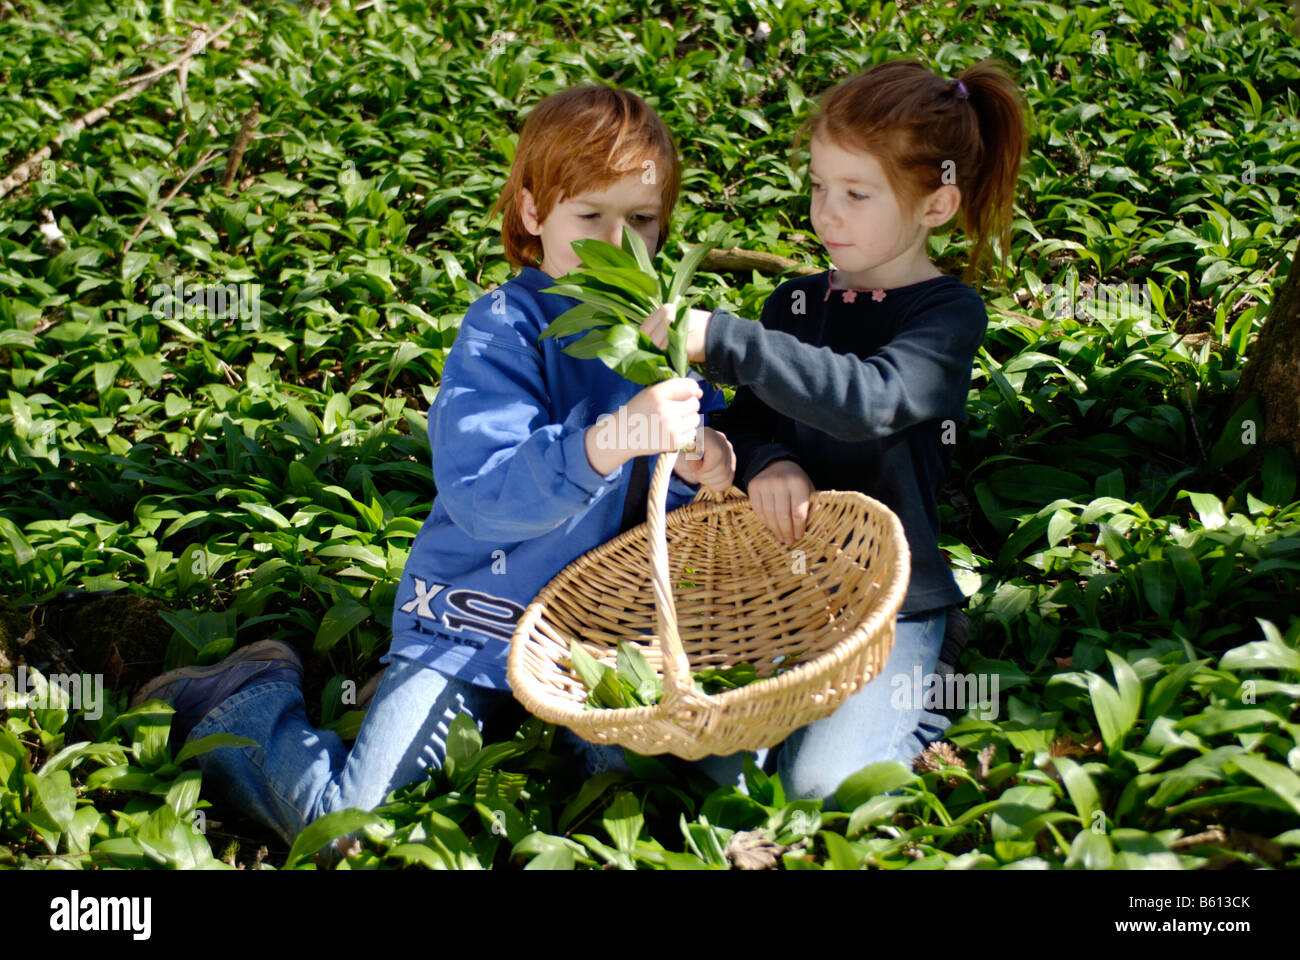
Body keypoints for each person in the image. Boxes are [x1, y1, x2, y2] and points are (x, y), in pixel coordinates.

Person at [129, 84, 736, 850]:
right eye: (590, 217)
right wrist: (607, 440)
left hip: (599, 640)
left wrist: (696, 467)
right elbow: (484, 494)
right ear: (531, 214)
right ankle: (243, 709)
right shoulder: (502, 330)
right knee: (351, 827)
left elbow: (663, 507)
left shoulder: (659, 334)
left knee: (650, 786)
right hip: (471, 625)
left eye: (642, 221)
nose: (618, 245)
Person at [638, 58, 1027, 806]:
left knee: (820, 786)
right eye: (819, 186)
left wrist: (728, 339)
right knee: (721, 772)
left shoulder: (943, 318)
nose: (828, 213)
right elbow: (748, 421)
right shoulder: (792, 304)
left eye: (856, 194)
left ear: (936, 206)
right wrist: (765, 462)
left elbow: (871, 400)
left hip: (895, 598)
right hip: (787, 593)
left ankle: (934, 696)